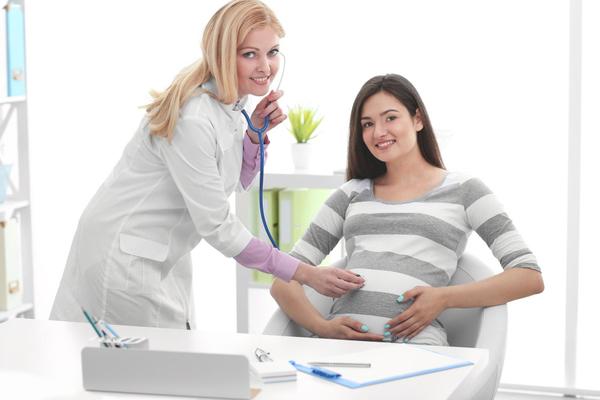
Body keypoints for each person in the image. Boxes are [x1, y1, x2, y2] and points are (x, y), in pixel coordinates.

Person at [50, 0, 363, 329]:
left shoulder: (230, 101)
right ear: (223, 55)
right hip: (123, 254)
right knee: (141, 354)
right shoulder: (194, 117)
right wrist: (303, 273)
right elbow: (217, 226)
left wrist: (254, 135)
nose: (265, 66)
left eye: (272, 52)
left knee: (167, 349)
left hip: (158, 252)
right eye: (249, 54)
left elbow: (233, 182)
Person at [271, 74, 544, 346]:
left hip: (417, 351)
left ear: (418, 119)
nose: (378, 132)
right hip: (340, 352)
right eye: (368, 124)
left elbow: (528, 276)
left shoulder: (465, 190)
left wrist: (443, 298)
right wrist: (323, 327)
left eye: (390, 118)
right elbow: (283, 280)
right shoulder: (350, 194)